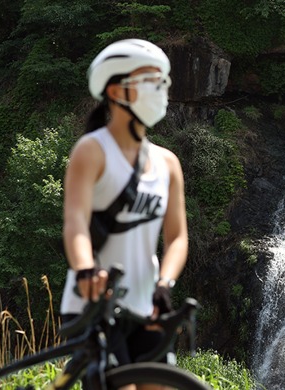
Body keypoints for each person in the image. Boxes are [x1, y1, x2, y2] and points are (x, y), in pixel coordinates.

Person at [59, 38, 188, 384]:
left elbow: (176, 237)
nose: (161, 88)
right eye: (150, 80)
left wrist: (165, 284)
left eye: (163, 80)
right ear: (116, 91)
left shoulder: (168, 163)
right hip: (94, 306)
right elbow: (76, 223)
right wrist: (86, 269)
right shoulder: (92, 151)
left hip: (147, 306)